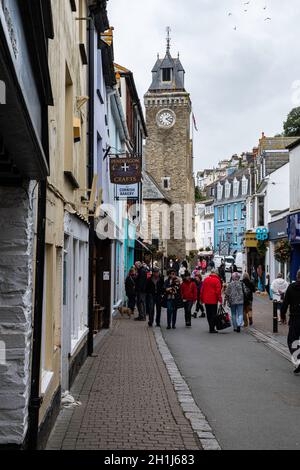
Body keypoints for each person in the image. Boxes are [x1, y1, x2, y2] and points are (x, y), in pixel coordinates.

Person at [281, 270, 300, 374]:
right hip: (295, 317)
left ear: (297, 276)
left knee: (292, 341)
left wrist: (282, 315)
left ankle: (298, 359)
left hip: (295, 318)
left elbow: (285, 303)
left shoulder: (291, 287)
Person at [200, 269, 222, 334]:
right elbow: (218, 292)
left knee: (209, 314)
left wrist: (201, 299)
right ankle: (212, 328)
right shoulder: (217, 280)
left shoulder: (206, 279)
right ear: (216, 273)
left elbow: (202, 290)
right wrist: (220, 300)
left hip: (206, 300)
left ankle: (211, 326)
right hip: (213, 300)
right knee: (213, 314)